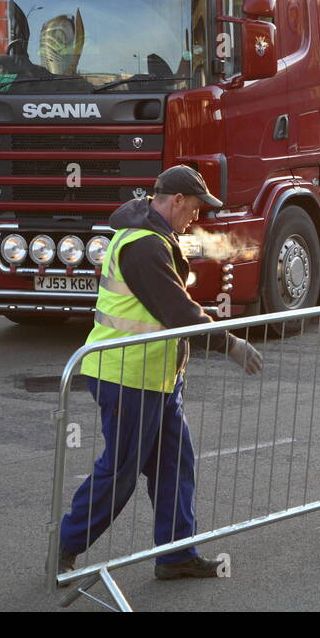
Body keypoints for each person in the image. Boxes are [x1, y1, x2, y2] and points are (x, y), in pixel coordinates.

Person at [56, 165, 264, 582]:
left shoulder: (150, 236)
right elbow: (178, 313)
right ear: (176, 201)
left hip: (155, 375)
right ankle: (63, 548)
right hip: (126, 374)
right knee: (121, 472)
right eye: (195, 208)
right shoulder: (144, 246)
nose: (196, 218)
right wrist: (230, 345)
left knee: (174, 461)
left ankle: (176, 553)